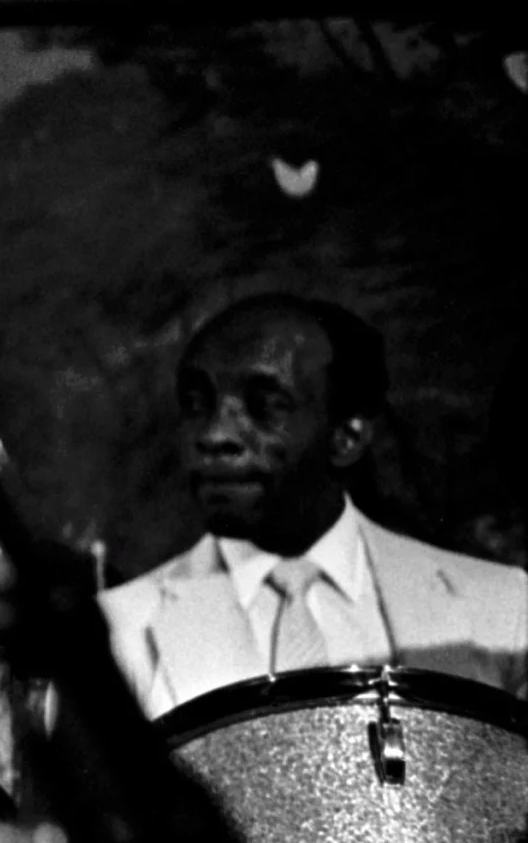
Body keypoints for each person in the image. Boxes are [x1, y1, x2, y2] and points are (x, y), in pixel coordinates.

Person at [102, 291, 528, 718]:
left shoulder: (504, 609)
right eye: (197, 404)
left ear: (347, 437)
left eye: (266, 407)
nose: (214, 435)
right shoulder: (116, 630)